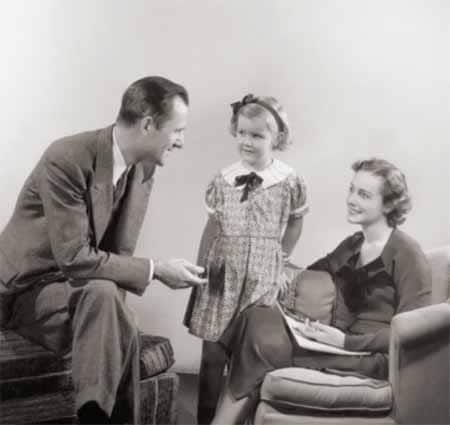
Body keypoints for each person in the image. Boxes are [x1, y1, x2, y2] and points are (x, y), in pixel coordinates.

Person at [0, 76, 207, 424]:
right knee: (109, 304)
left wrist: (115, 322)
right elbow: (75, 258)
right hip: (25, 293)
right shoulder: (66, 158)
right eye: (177, 131)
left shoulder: (142, 170)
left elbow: (117, 258)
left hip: (82, 294)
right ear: (148, 124)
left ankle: (94, 415)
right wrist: (156, 269)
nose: (181, 142)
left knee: (108, 301)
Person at [210, 158, 432, 424]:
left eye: (363, 194)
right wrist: (277, 272)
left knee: (261, 345)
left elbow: (411, 332)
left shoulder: (407, 253)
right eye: (351, 189)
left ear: (388, 204)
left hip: (372, 357)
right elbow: (309, 272)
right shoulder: (353, 244)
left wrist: (344, 342)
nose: (351, 199)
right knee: (254, 317)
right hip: (336, 341)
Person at [183, 94, 309, 424]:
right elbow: (212, 226)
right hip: (222, 272)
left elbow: (296, 221)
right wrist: (200, 270)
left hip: (261, 276)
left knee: (251, 356)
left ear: (277, 138)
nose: (247, 141)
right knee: (212, 355)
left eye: (257, 135)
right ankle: (205, 419)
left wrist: (281, 259)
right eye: (241, 133)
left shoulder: (289, 180)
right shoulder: (223, 179)